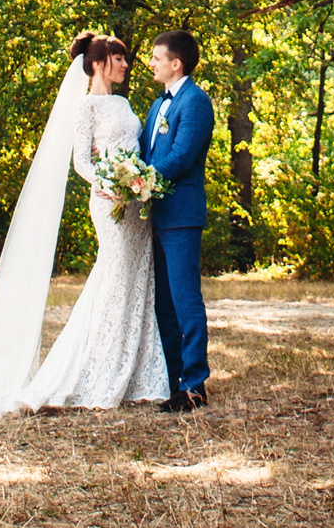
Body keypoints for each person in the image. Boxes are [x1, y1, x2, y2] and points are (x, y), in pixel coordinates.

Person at [0, 33, 170, 422]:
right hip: (110, 205)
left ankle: (136, 375)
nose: (126, 65)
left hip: (138, 207)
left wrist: (136, 183)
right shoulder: (86, 107)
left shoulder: (123, 102)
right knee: (113, 281)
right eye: (118, 58)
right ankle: (91, 371)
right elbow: (82, 163)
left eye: (125, 59)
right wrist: (111, 185)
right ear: (99, 63)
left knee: (139, 282)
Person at [140, 28, 214, 411]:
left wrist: (144, 181)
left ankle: (195, 385)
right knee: (164, 304)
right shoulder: (156, 107)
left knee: (186, 301)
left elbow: (183, 157)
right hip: (155, 214)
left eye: (156, 57)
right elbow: (143, 153)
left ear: (176, 63)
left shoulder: (196, 102)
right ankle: (172, 383)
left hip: (182, 214)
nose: (150, 63)